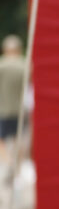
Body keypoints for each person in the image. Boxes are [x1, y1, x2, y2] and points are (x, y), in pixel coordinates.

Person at [0, 35, 27, 179]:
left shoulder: (2, 65)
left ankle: (8, 161)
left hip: (3, 109)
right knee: (20, 139)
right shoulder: (24, 65)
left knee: (1, 140)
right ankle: (17, 167)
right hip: (20, 110)